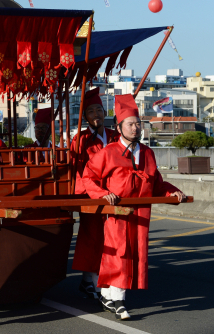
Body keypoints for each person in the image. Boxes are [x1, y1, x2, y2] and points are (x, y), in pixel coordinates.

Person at [82, 94, 186, 320]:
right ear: (119, 128)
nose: (136, 128)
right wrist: (102, 194)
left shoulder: (147, 153)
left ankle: (108, 295)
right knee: (119, 252)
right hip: (117, 212)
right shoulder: (108, 152)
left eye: (138, 124)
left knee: (135, 254)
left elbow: (157, 183)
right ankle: (119, 300)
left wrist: (172, 192)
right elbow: (87, 177)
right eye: (131, 124)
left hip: (141, 213)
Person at [70, 88, 120, 299]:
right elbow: (76, 170)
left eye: (99, 109)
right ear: (85, 117)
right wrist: (93, 191)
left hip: (115, 194)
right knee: (92, 237)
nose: (96, 114)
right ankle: (93, 280)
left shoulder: (117, 137)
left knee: (112, 238)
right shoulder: (80, 140)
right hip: (91, 194)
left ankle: (100, 280)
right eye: (90, 111)